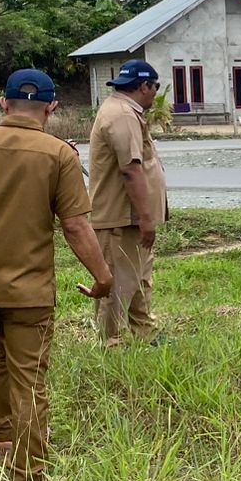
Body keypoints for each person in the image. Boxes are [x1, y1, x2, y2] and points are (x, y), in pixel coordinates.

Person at [0, 69, 113, 481]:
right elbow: (75, 226)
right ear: (51, 107)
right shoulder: (58, 155)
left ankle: (3, 441)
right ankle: (27, 477)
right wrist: (103, 277)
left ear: (3, 102)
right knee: (29, 379)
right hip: (28, 291)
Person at [88, 59, 168, 346]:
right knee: (118, 285)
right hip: (120, 217)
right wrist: (146, 218)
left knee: (138, 278)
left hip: (129, 217)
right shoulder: (122, 115)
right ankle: (111, 344)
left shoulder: (125, 110)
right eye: (155, 87)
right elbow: (130, 169)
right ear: (144, 86)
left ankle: (146, 334)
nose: (156, 93)